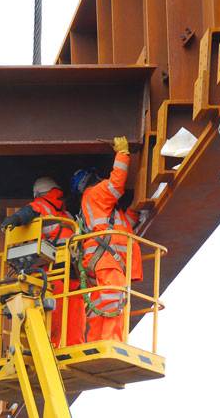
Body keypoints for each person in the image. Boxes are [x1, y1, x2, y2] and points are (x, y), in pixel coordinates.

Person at [70, 137, 143, 342]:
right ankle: (112, 343)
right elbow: (116, 185)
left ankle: (96, 343)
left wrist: (136, 212)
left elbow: (120, 226)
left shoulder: (96, 205)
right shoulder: (96, 193)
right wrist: (122, 153)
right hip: (107, 261)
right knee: (114, 300)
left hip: (101, 261)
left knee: (101, 304)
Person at [0, 177, 86, 347]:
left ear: (38, 193)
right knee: (72, 307)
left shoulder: (43, 206)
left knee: (58, 307)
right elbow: (25, 214)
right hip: (67, 268)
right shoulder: (64, 213)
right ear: (55, 191)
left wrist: (11, 222)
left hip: (56, 269)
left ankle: (55, 344)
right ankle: (73, 344)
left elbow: (25, 214)